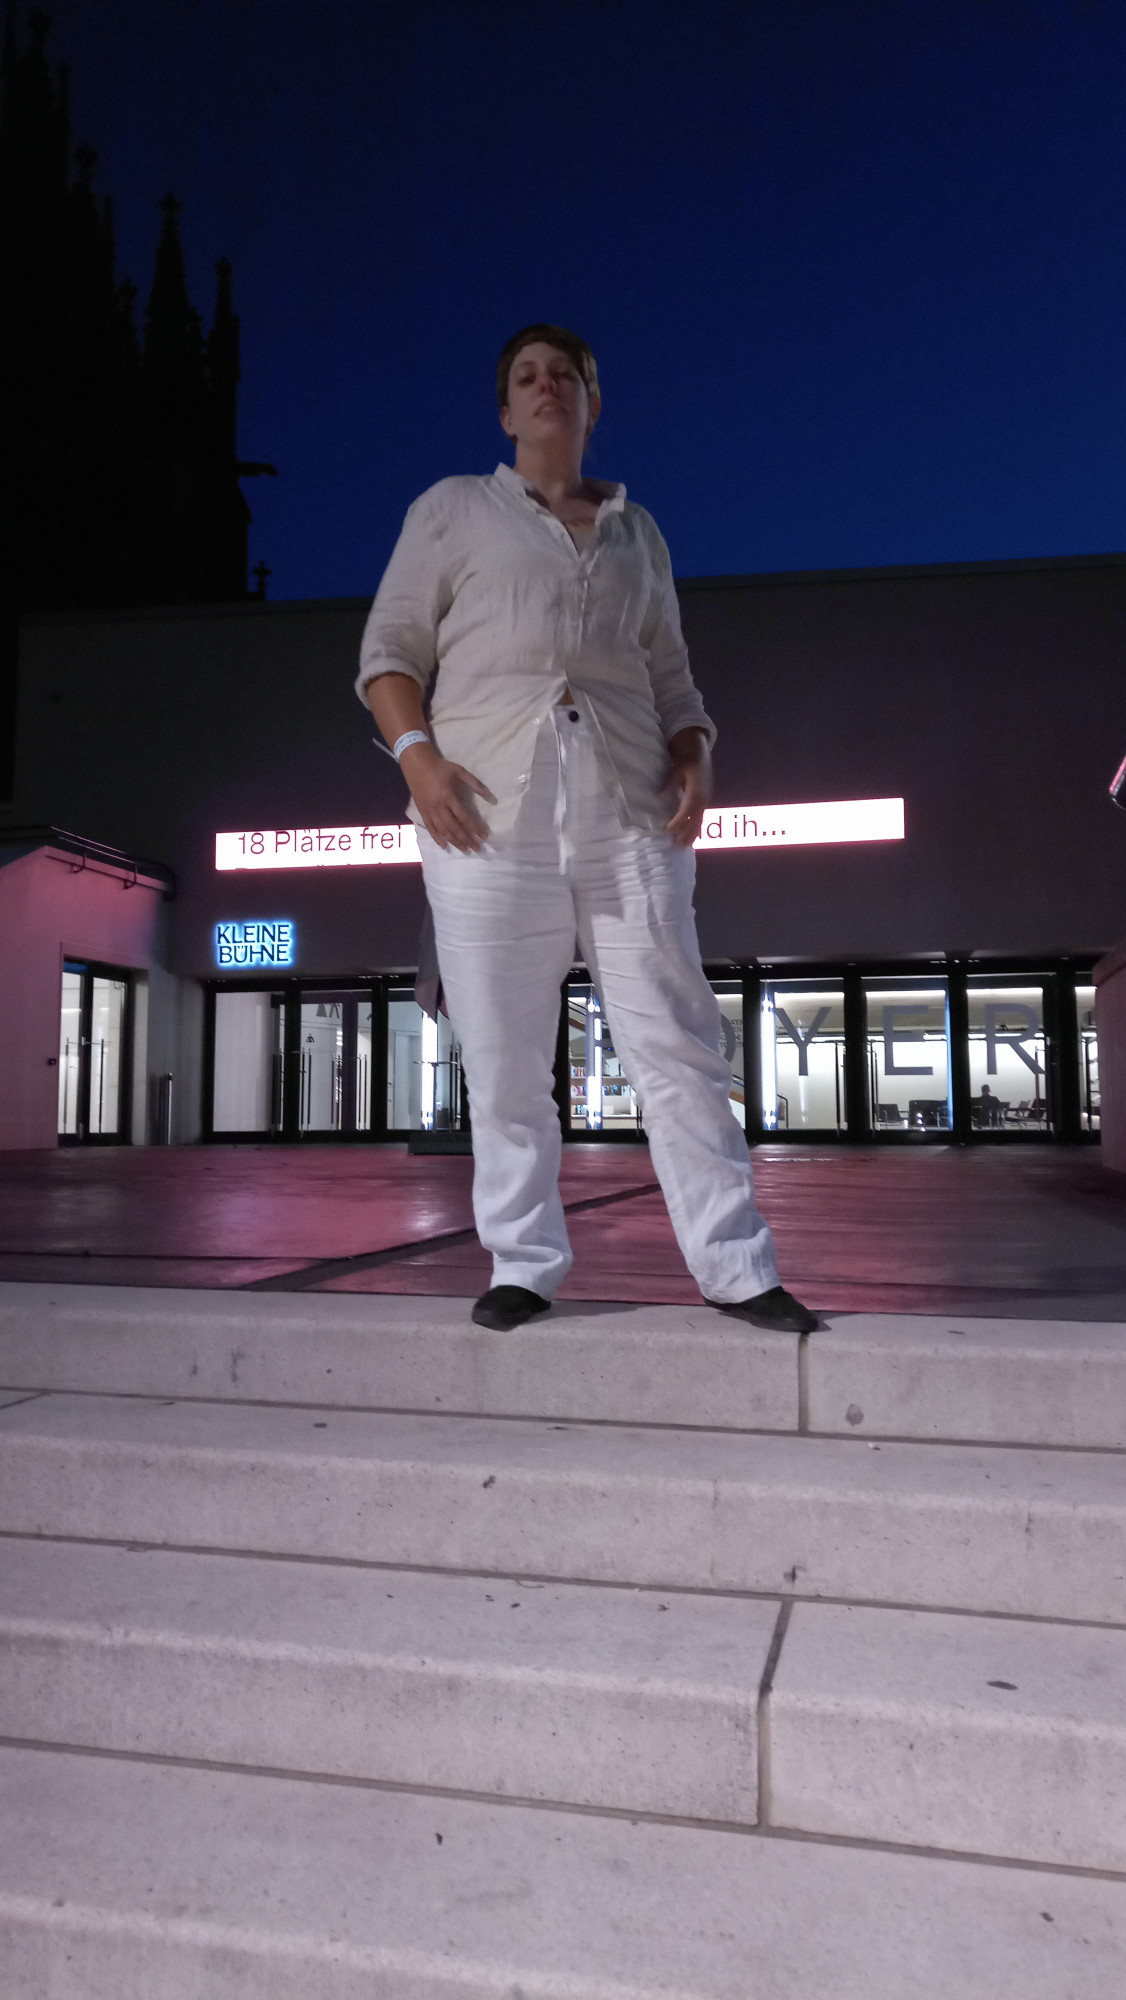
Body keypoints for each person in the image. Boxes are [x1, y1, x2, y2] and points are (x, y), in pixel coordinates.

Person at [358, 323, 815, 1336]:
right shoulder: (451, 510)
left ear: (592, 403)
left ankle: (737, 1268)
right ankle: (523, 1263)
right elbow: (387, 653)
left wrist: (696, 753)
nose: (546, 386)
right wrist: (418, 759)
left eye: (566, 374)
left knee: (675, 1040)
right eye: (527, 376)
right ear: (505, 410)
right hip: (481, 814)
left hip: (628, 809)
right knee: (503, 1054)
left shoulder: (636, 532)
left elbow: (673, 678)